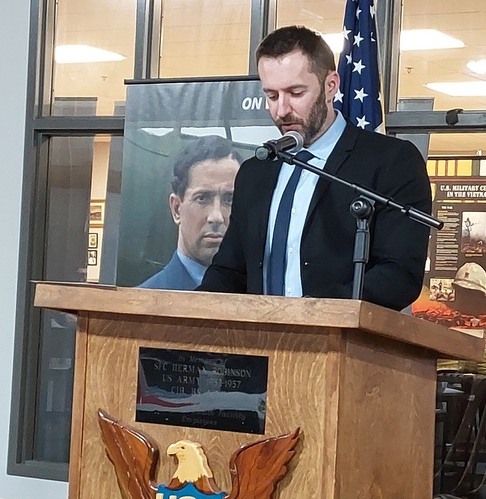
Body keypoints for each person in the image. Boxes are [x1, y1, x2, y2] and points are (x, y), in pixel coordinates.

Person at [198, 26, 431, 311]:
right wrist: (188, 310)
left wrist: (316, 311)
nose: (282, 110)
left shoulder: (390, 161)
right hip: (259, 336)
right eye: (272, 96)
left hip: (339, 335)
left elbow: (399, 274)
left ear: (330, 85)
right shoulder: (256, 171)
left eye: (295, 93)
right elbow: (230, 270)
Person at [139, 135, 241, 290]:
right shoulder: (142, 300)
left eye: (230, 200)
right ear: (176, 209)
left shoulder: (262, 294)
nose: (216, 217)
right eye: (202, 198)